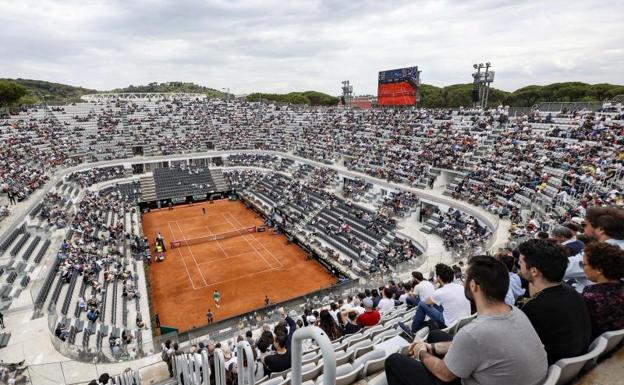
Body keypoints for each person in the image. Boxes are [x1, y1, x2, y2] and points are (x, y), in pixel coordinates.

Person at [385, 256, 548, 385]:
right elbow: (478, 344)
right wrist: (431, 347)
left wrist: (421, 352)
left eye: (465, 278)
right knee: (435, 335)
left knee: (394, 361)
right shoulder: (518, 313)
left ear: (474, 286)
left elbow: (445, 374)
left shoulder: (474, 333)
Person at [518, 239, 591, 364]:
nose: (518, 266)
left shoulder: (534, 308)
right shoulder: (573, 293)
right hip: (575, 364)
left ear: (534, 271)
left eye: (520, 264)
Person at [400, 264, 471, 337]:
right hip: (464, 320)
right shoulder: (461, 287)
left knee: (422, 304)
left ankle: (413, 330)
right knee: (437, 303)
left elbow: (426, 302)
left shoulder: (440, 292)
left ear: (439, 278)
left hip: (449, 323)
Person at [565, 206, 624, 292]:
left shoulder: (601, 251)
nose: (583, 228)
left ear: (601, 229)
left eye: (584, 225)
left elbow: (563, 268)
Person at [581, 242, 624, 339]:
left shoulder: (591, 297)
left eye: (583, 264)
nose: (583, 268)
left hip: (599, 349)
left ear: (599, 270)